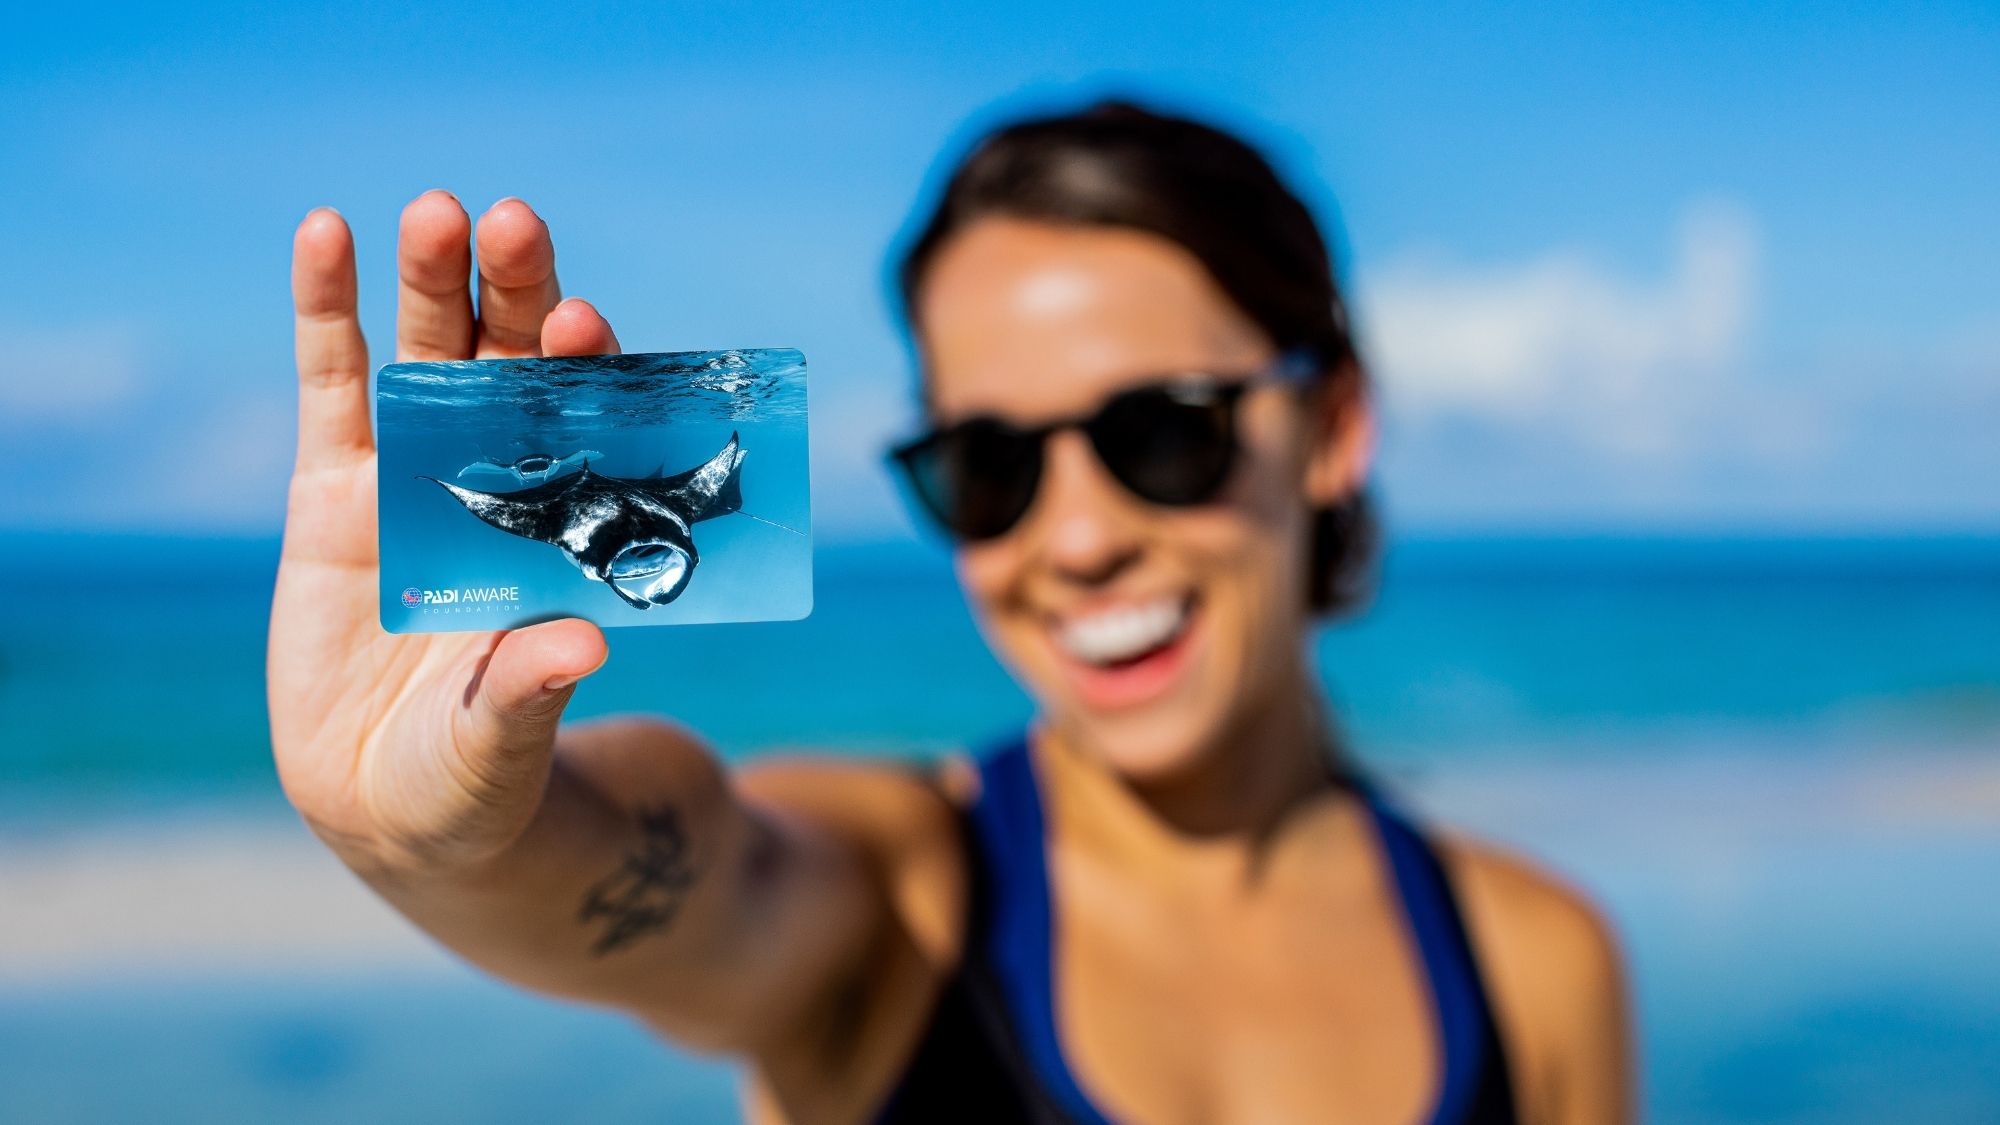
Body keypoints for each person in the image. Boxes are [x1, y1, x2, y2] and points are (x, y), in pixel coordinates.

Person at [271, 99, 1632, 1124]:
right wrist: (457, 845)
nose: (1080, 537)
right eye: (991, 466)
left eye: (1165, 433)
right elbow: (709, 878)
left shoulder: (1536, 970)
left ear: (1330, 424)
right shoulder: (903, 900)